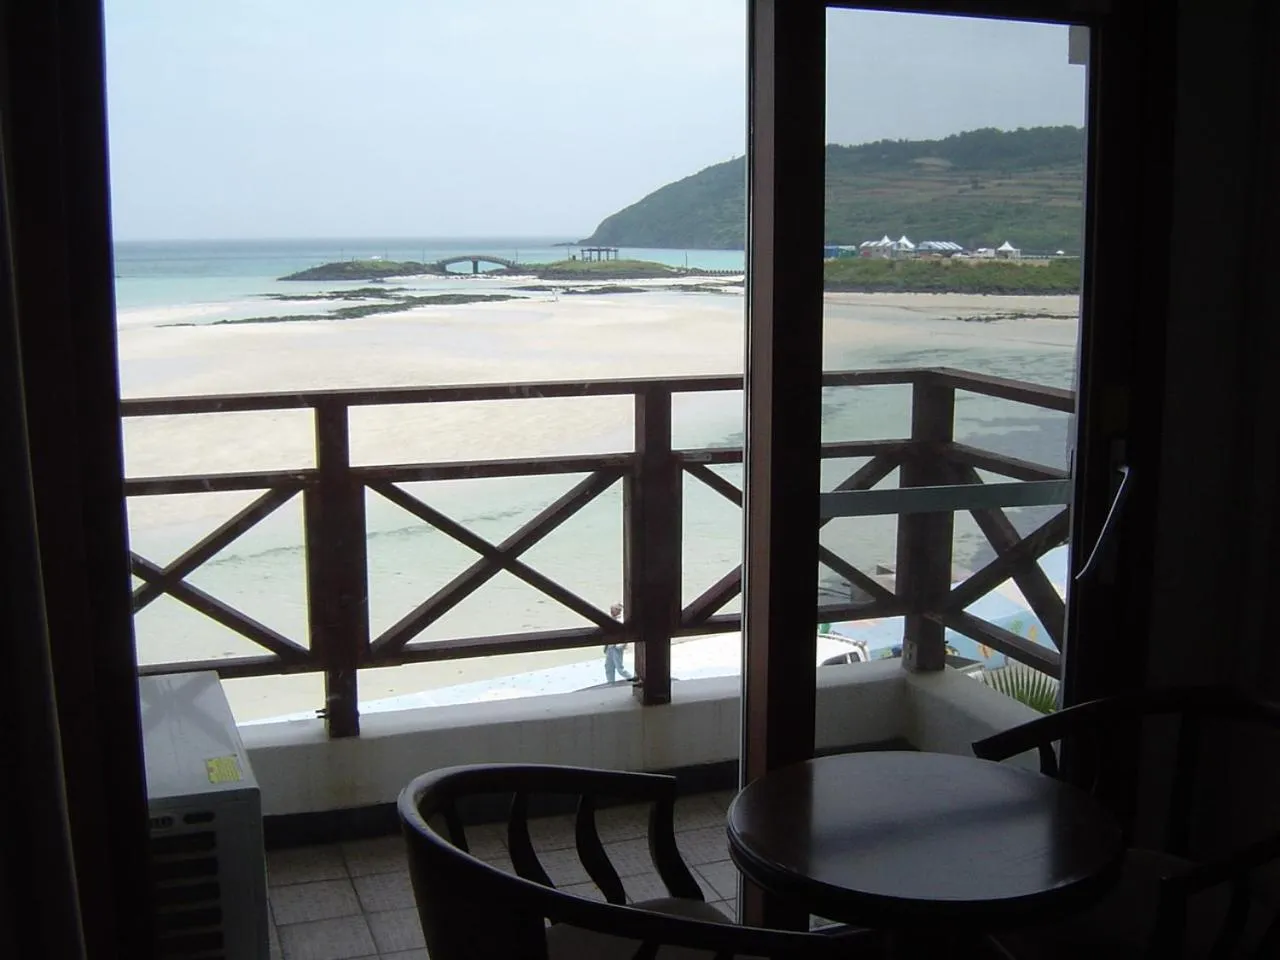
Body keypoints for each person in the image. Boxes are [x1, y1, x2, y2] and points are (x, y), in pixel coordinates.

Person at [604, 602, 632, 683]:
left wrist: (622, 645)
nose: (611, 611)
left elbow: (626, 634)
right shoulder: (611, 619)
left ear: (618, 610)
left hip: (617, 647)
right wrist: (606, 646)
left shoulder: (621, 620)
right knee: (608, 666)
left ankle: (631, 678)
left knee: (619, 668)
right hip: (610, 647)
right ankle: (610, 682)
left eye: (613, 609)